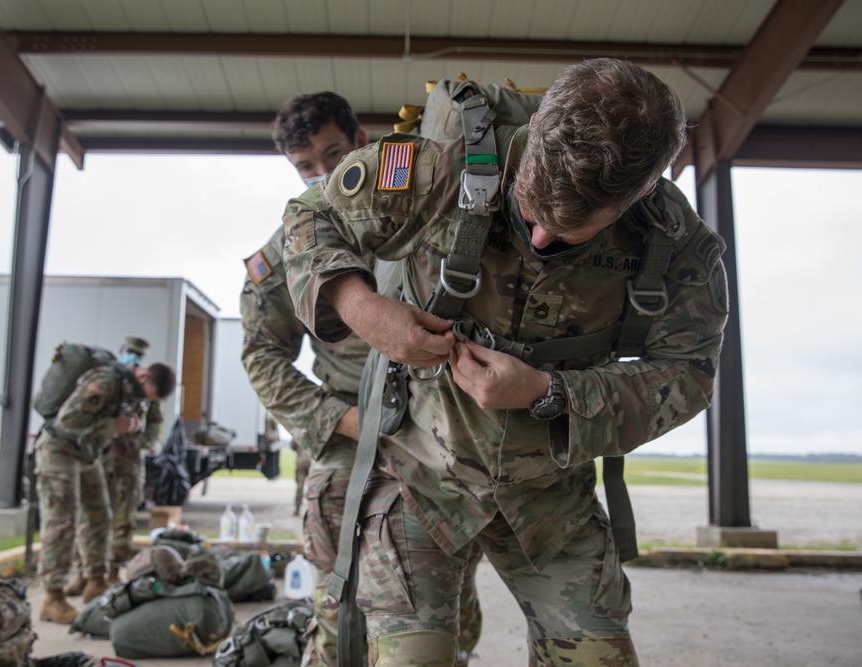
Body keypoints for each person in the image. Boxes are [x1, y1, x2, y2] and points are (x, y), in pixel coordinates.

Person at [282, 58, 729, 666]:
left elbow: (689, 374)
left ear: (644, 191)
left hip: (551, 496)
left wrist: (550, 393)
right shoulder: (434, 169)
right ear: (538, 125)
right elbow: (311, 217)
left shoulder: (678, 245)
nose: (542, 239)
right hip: (419, 479)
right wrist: (361, 306)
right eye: (532, 210)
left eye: (572, 232)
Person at [241, 91, 482, 667]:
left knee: (447, 580)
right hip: (351, 427)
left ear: (362, 144)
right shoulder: (287, 251)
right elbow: (261, 352)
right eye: (307, 167)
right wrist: (339, 420)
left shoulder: (423, 210)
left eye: (333, 154)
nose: (324, 174)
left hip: (442, 425)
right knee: (340, 584)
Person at [36, 356, 176, 624]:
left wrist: (131, 430)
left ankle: (96, 581)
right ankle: (53, 597)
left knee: (100, 516)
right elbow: (68, 419)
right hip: (59, 449)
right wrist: (115, 426)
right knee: (62, 521)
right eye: (148, 395)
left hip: (86, 453)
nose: (145, 400)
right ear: (144, 375)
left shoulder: (131, 392)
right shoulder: (105, 381)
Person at [63, 336, 164, 597]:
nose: (133, 358)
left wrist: (140, 441)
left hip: (129, 463)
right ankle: (83, 572)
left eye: (137, 354)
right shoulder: (112, 381)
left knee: (122, 520)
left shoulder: (147, 388)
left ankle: (111, 571)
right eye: (130, 353)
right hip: (100, 459)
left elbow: (154, 424)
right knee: (89, 518)